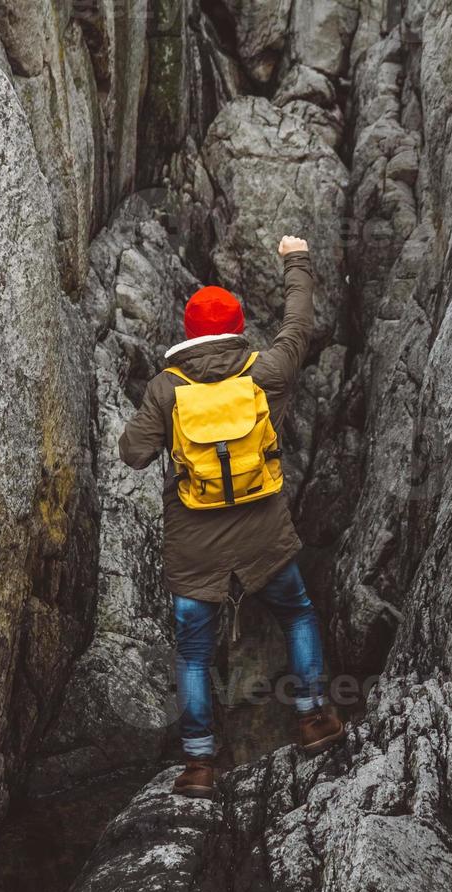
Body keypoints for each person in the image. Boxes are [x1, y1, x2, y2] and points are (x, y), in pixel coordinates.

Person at [118, 235, 345, 799]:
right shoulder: (267, 371)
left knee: (194, 652)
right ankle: (315, 718)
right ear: (238, 325)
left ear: (190, 333)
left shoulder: (166, 390)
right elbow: (299, 323)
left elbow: (132, 453)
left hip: (196, 549)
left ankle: (199, 764)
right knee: (296, 615)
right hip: (264, 536)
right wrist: (295, 259)